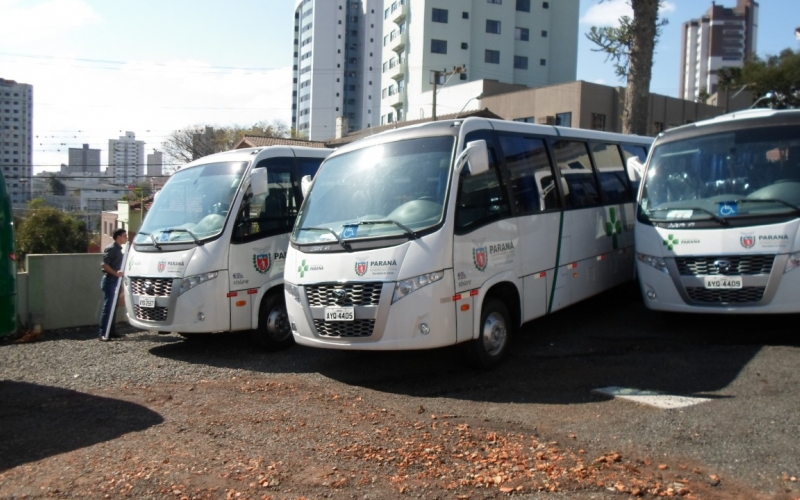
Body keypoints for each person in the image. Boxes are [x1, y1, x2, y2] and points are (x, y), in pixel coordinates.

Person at [99, 228, 127, 341]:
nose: (126, 238)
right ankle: (103, 333)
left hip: (115, 281)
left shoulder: (119, 249)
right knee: (108, 307)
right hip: (110, 280)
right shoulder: (111, 249)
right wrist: (116, 273)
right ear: (118, 237)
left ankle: (111, 331)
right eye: (124, 236)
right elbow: (104, 265)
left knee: (113, 307)